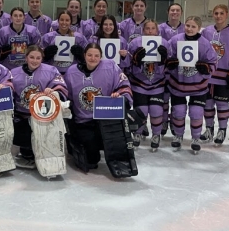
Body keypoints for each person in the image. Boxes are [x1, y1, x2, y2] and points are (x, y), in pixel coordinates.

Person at [63, 43, 133, 172]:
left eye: (96, 55)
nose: (93, 58)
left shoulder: (110, 66)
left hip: (105, 119)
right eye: (89, 55)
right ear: (84, 56)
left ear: (101, 57)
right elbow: (66, 94)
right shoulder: (71, 71)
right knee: (91, 160)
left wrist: (119, 95)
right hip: (83, 121)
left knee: (114, 148)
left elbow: (123, 84)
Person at [164, 16, 217, 154]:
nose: (189, 29)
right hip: (178, 84)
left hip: (198, 86)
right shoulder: (175, 40)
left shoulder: (205, 43)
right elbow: (166, 57)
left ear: (199, 28)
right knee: (179, 111)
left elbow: (213, 62)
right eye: (187, 25)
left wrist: (206, 69)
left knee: (196, 112)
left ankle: (195, 138)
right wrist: (169, 64)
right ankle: (178, 135)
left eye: (193, 26)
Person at [10, 45, 69, 169]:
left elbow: (61, 86)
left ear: (42, 58)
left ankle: (43, 155)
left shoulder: (51, 70)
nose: (34, 60)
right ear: (26, 57)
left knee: (43, 138)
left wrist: (53, 91)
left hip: (43, 114)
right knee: (23, 137)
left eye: (38, 58)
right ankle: (26, 154)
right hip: (22, 114)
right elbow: (8, 89)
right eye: (31, 57)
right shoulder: (14, 73)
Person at [201, 5, 229, 145]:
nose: (218, 16)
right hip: (208, 76)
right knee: (207, 103)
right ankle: (208, 128)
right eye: (216, 13)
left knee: (222, 104)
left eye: (221, 13)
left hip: (224, 76)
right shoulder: (206, 31)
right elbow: (201, 49)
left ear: (227, 14)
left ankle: (222, 129)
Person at [128, 19, 168, 150]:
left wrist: (163, 62)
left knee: (157, 111)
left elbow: (171, 67)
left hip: (157, 83)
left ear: (157, 30)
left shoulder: (164, 44)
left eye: (153, 29)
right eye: (147, 29)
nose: (150, 31)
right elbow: (128, 65)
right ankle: (137, 134)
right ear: (143, 30)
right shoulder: (134, 43)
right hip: (139, 83)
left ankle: (156, 135)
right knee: (141, 111)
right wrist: (136, 61)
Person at [158, 2, 184, 135]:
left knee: (176, 99)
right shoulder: (159, 28)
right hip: (163, 69)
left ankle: (174, 121)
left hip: (179, 71)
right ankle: (163, 121)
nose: (175, 12)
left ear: (181, 13)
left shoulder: (186, 28)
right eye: (172, 10)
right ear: (168, 12)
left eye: (177, 10)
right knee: (163, 98)